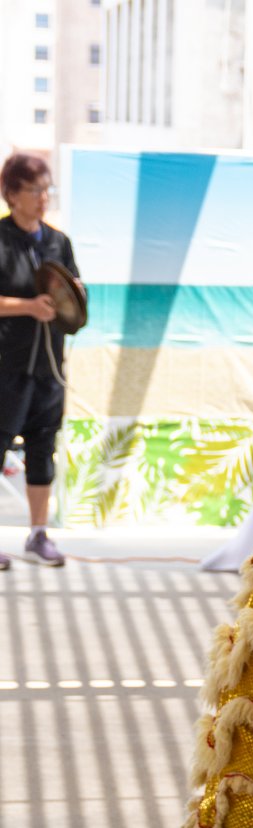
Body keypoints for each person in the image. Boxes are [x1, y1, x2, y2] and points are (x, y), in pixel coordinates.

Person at [0, 152, 79, 570]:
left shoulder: (57, 242)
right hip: (6, 366)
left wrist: (73, 297)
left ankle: (37, 535)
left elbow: (75, 292)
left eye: (47, 189)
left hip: (49, 367)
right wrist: (28, 307)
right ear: (11, 194)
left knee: (43, 448)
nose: (43, 197)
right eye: (34, 190)